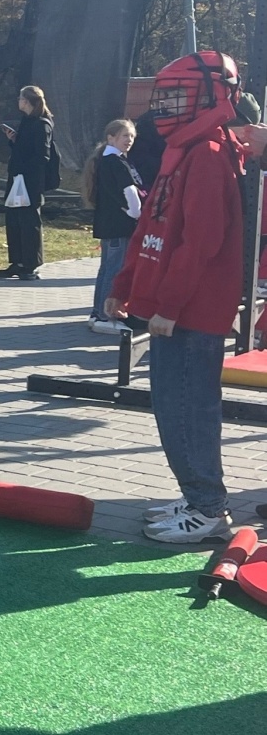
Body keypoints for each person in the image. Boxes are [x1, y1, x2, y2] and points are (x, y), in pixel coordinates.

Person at [105, 51, 244, 544]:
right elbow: (152, 228)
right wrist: (126, 287)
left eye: (176, 96)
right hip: (170, 307)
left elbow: (201, 241)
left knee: (189, 407)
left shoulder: (207, 153)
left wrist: (169, 306)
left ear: (209, 96)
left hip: (192, 312)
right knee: (171, 404)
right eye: (162, 97)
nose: (165, 107)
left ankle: (208, 507)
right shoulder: (180, 151)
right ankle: (195, 494)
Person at [81, 119, 143, 336]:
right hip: (119, 225)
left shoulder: (109, 160)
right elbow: (130, 194)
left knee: (107, 268)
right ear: (111, 137)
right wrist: (137, 214)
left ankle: (98, 312)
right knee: (114, 270)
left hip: (110, 225)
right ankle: (105, 316)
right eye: (125, 136)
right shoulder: (115, 162)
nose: (129, 140)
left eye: (132, 137)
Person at [0, 85, 54, 280]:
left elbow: (42, 156)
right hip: (16, 177)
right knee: (13, 219)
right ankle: (17, 261)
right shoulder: (26, 121)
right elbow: (23, 148)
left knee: (29, 221)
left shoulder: (41, 124)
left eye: (21, 98)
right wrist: (13, 140)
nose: (18, 100)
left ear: (28, 101)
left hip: (30, 181)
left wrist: (25, 169)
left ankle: (30, 264)